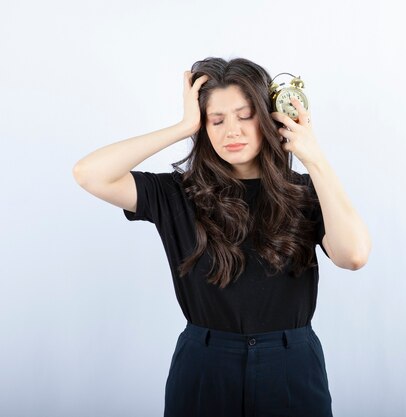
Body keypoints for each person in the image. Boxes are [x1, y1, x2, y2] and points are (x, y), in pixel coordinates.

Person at [72, 56, 371, 417]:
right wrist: (183, 127)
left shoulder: (305, 192)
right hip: (206, 364)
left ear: (268, 117)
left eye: (245, 116)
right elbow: (89, 173)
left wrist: (315, 159)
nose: (232, 131)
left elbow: (354, 255)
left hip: (291, 365)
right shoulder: (176, 193)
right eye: (216, 120)